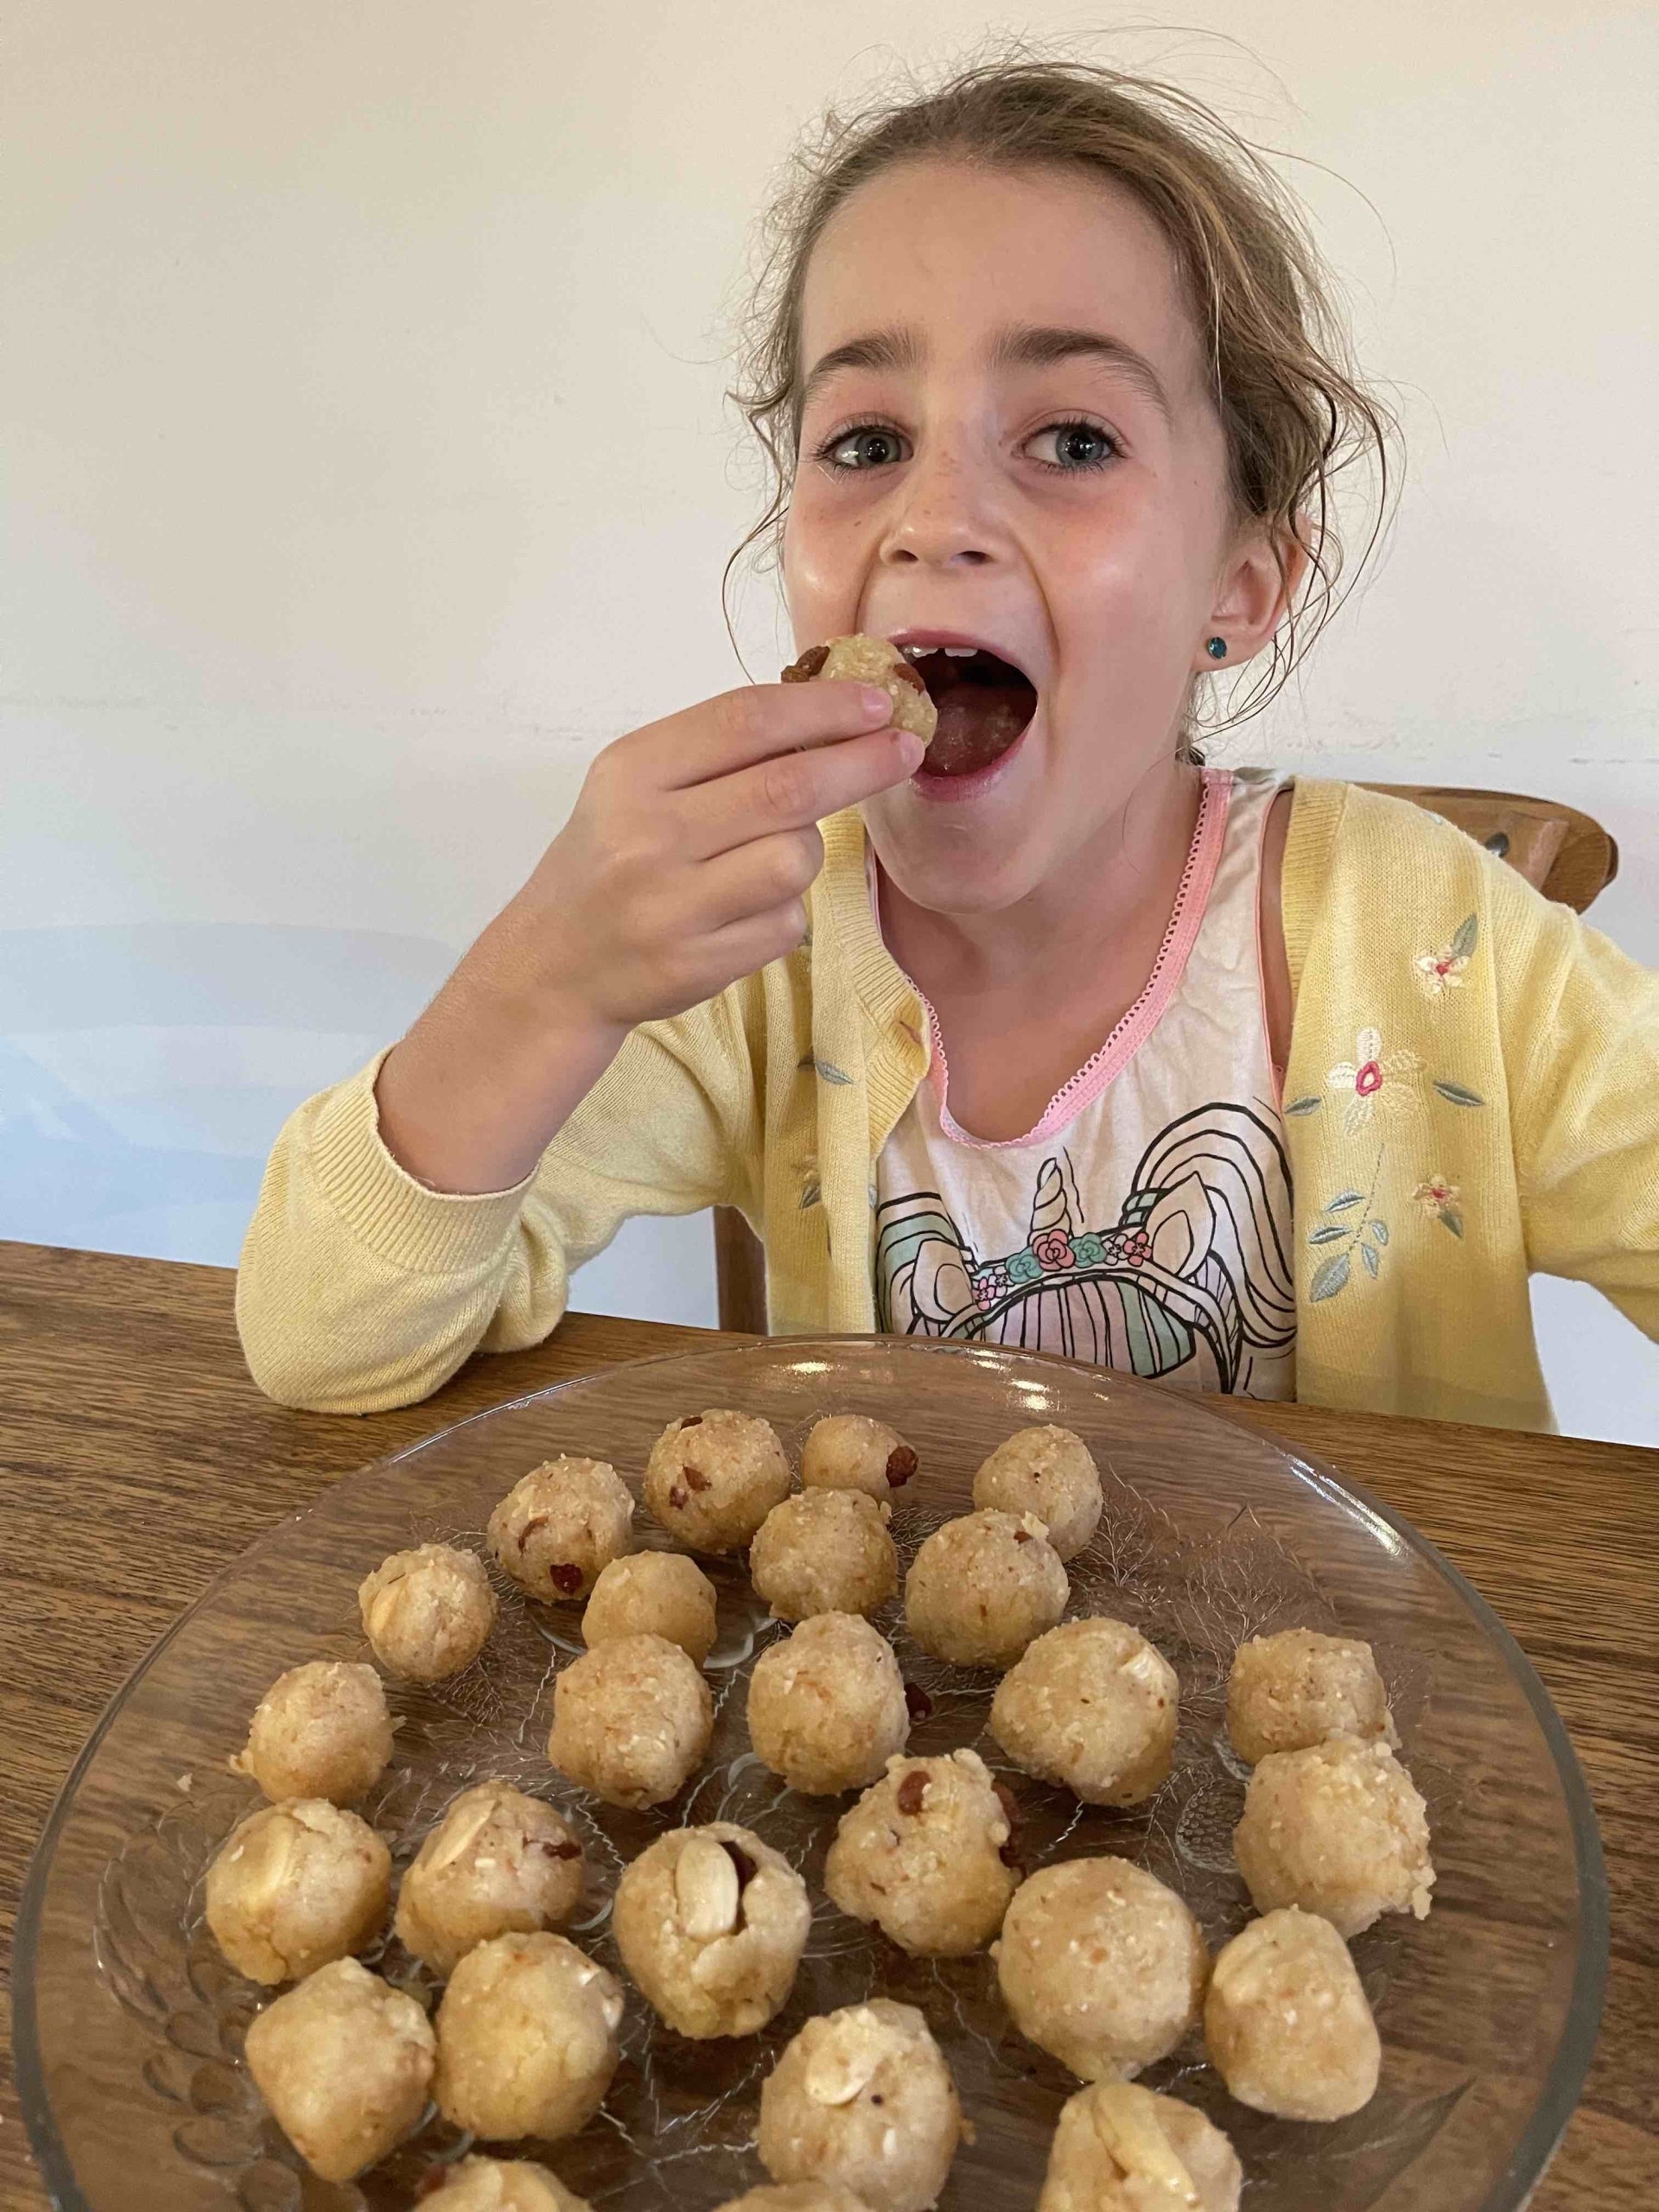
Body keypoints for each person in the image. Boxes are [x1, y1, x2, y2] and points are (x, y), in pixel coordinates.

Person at [236, 49, 1659, 1430]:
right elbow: (323, 1340)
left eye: (1073, 441)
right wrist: (545, 977)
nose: (932, 518)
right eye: (864, 443)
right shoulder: (757, 959)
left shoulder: (1441, 952)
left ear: (1238, 586)